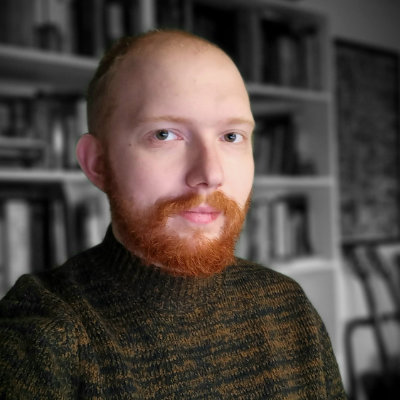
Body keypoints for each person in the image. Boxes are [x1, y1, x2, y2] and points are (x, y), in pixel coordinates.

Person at [0, 30, 346, 399]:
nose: (210, 174)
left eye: (231, 136)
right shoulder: (45, 333)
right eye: (164, 134)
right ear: (97, 163)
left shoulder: (288, 305)